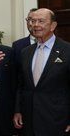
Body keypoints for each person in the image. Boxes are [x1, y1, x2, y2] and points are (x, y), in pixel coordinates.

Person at [13, 8, 70, 136]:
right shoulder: (25, 52)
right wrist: (18, 110)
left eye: (41, 21)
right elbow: (20, 85)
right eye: (33, 21)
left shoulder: (67, 50)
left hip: (57, 119)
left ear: (53, 26)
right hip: (28, 119)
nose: (35, 25)